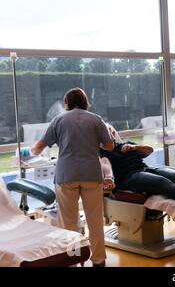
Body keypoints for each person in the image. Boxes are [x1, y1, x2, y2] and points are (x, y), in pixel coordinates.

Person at [31, 87, 114, 267]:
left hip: (66, 175)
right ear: (85, 102)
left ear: (66, 103)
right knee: (95, 220)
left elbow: (37, 148)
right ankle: (98, 260)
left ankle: (74, 260)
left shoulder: (58, 120)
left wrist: (31, 151)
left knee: (69, 223)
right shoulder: (96, 120)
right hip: (91, 174)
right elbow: (109, 145)